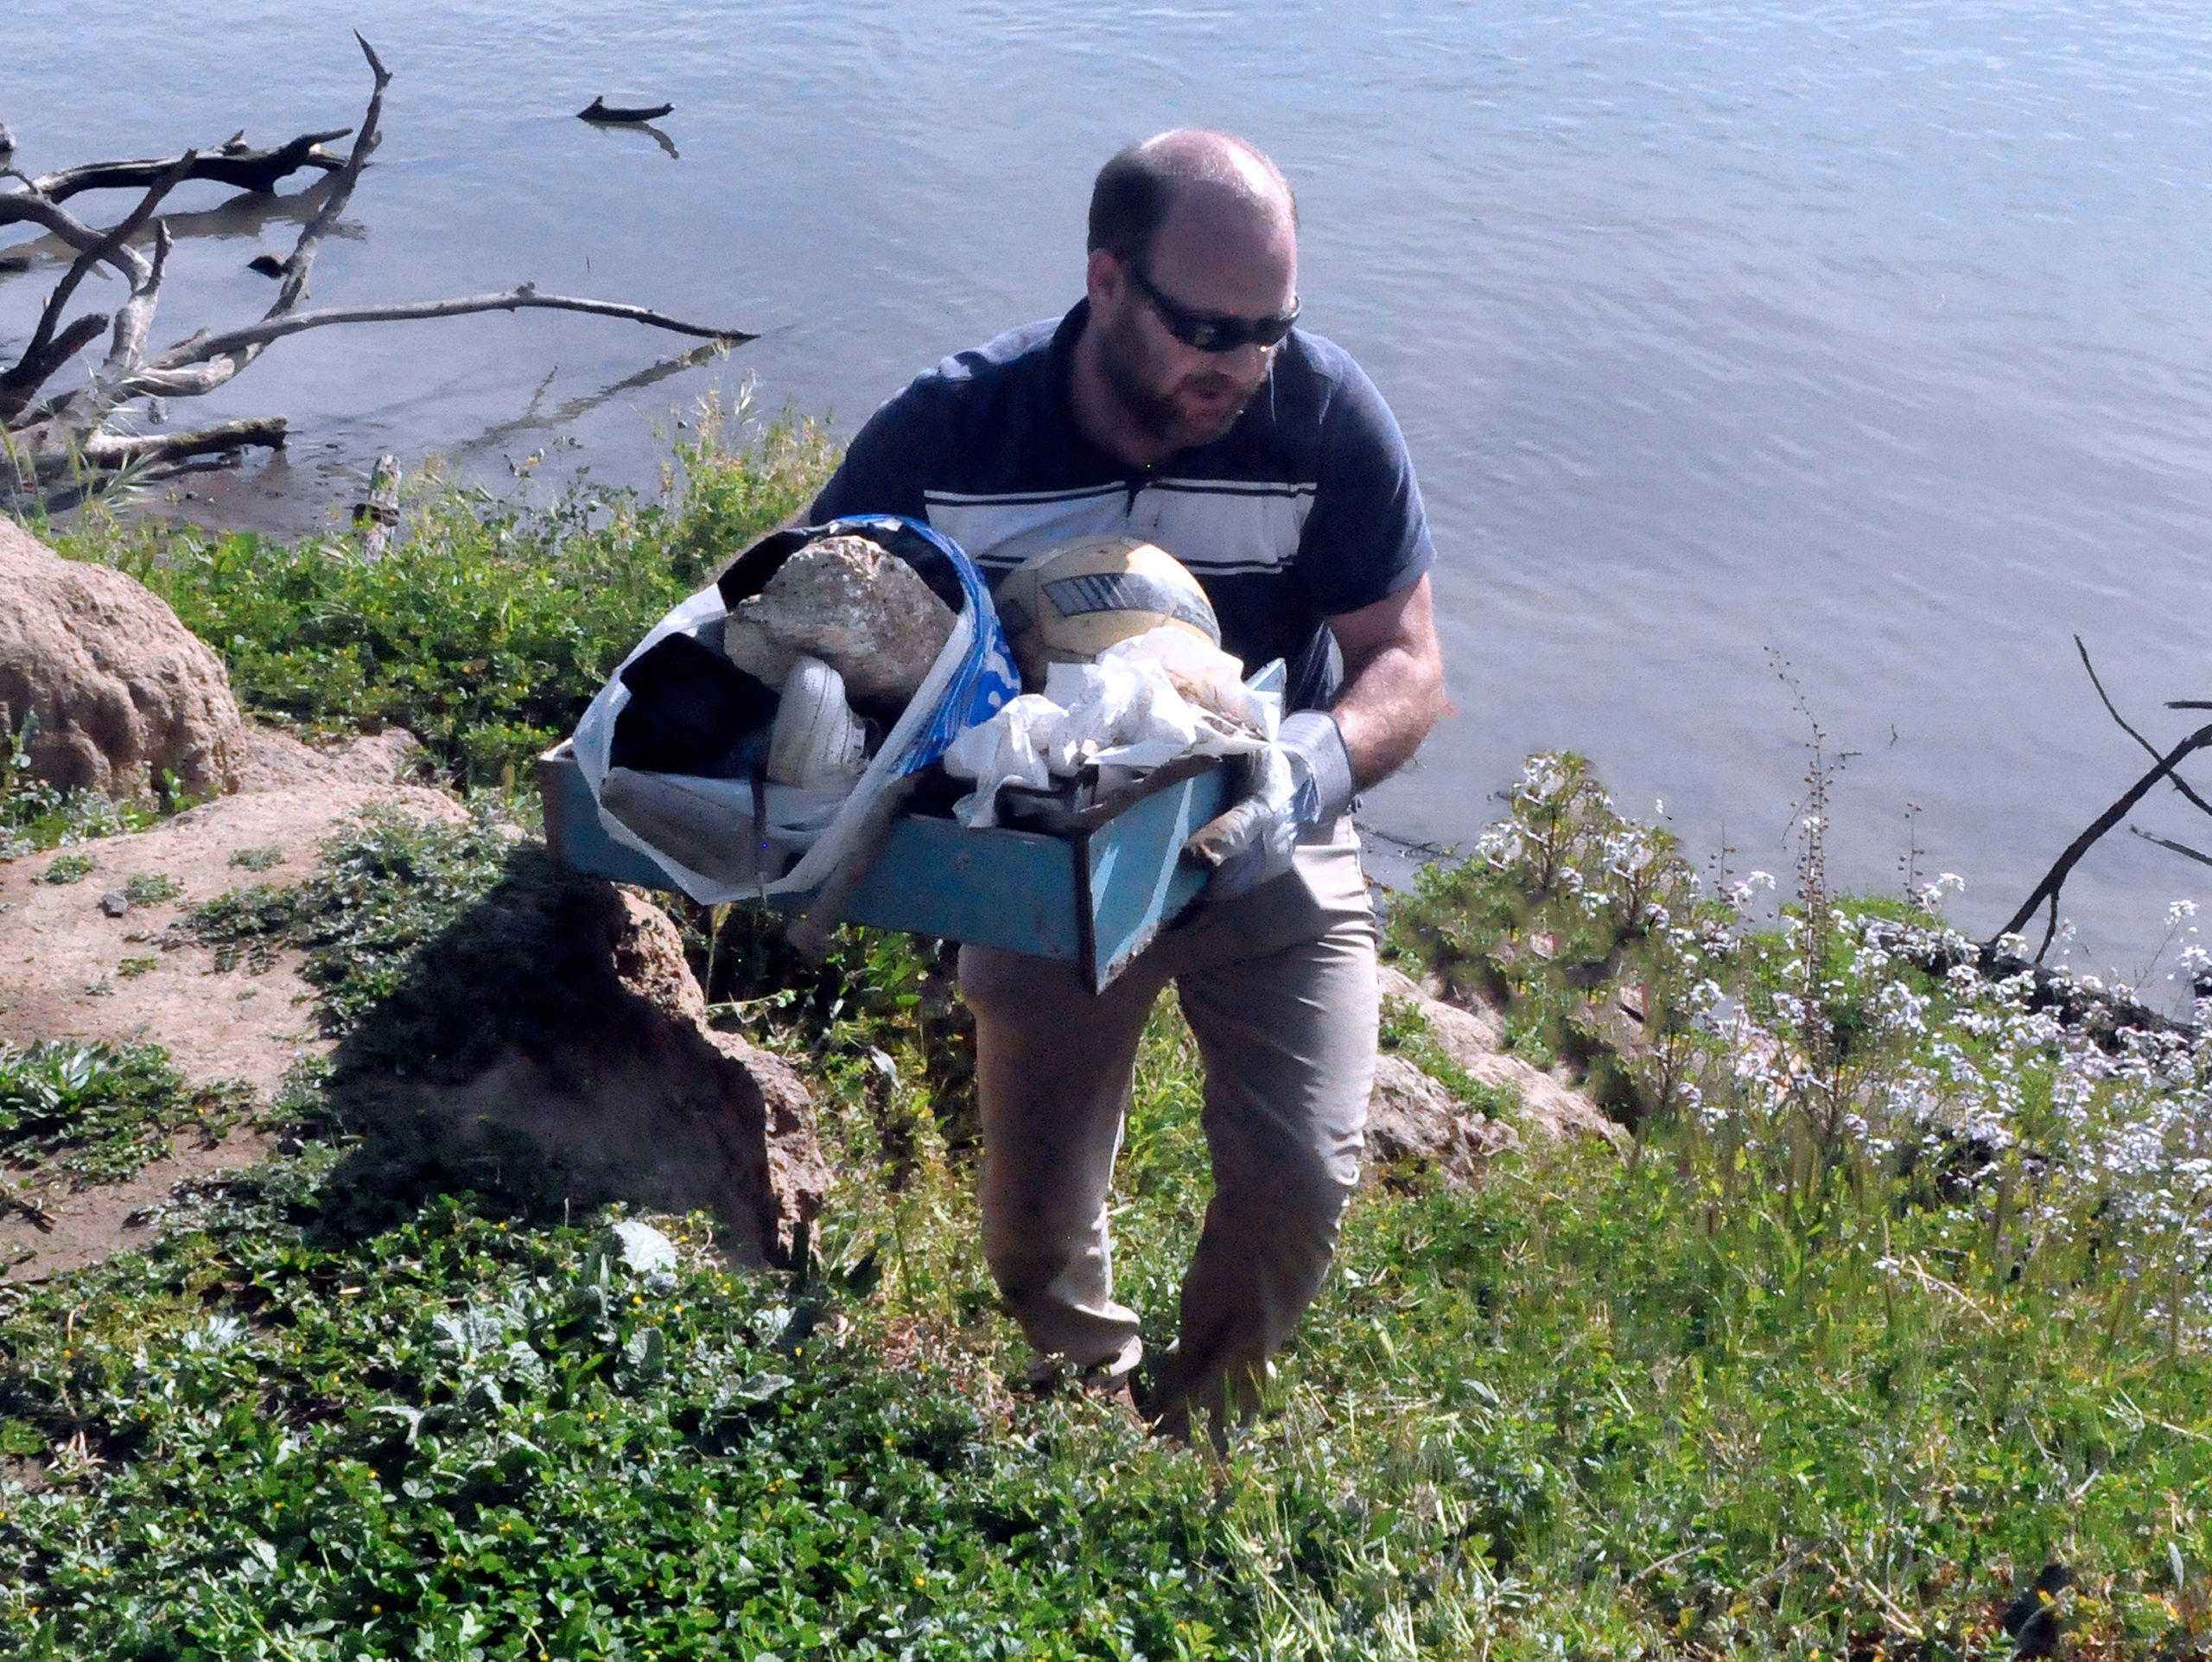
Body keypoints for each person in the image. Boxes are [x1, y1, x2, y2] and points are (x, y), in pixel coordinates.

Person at [807, 129, 1446, 1442]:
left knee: (1300, 1173)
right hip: (1054, 850)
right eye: (1209, 329)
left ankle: (1199, 1435)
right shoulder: (951, 432)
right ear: (1106, 282)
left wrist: (1306, 768)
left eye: (1271, 327)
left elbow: (1408, 665)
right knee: (1037, 1220)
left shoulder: (1321, 414)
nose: (1243, 368)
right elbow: (820, 613)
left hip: (1267, 829)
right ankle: (1076, 1398)